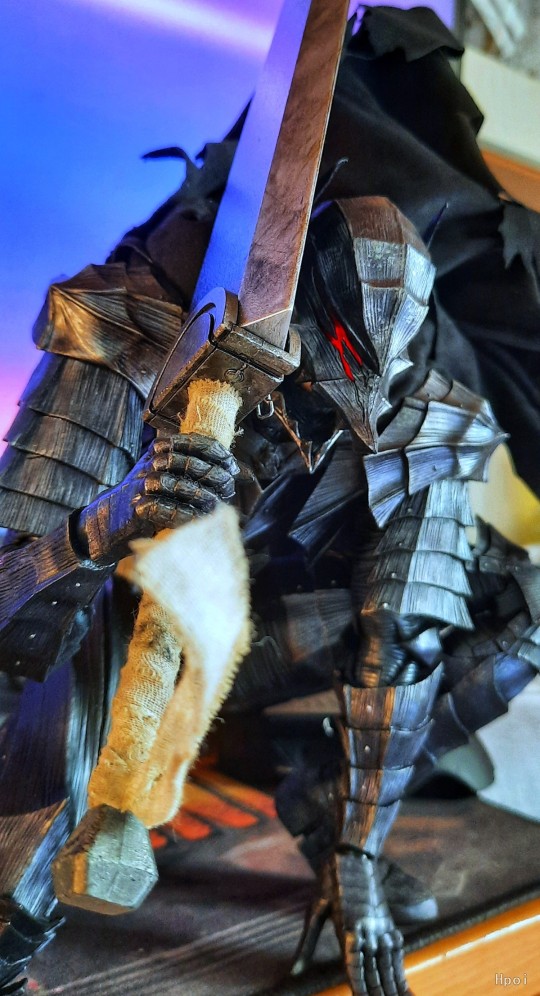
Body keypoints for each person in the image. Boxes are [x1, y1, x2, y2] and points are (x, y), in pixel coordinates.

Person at [0, 8, 539, 996]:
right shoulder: (132, 326)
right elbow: (6, 602)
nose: (359, 409)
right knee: (14, 897)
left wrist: (357, 860)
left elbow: (400, 647)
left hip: (273, 645)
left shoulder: (424, 412)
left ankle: (321, 808)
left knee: (518, 611)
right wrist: (106, 524)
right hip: (108, 621)